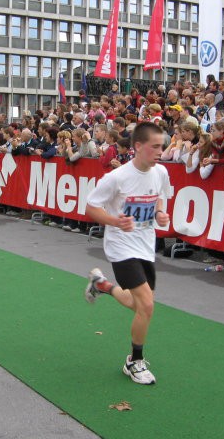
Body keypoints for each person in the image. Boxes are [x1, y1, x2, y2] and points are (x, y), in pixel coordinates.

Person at [84, 122, 171, 386]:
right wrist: (114, 221)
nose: (160, 151)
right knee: (146, 305)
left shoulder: (161, 173)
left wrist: (159, 213)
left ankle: (102, 285)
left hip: (145, 244)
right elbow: (91, 208)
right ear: (137, 146)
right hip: (121, 246)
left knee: (138, 305)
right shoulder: (117, 177)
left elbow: (160, 197)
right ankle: (134, 361)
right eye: (154, 146)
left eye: (162, 146)